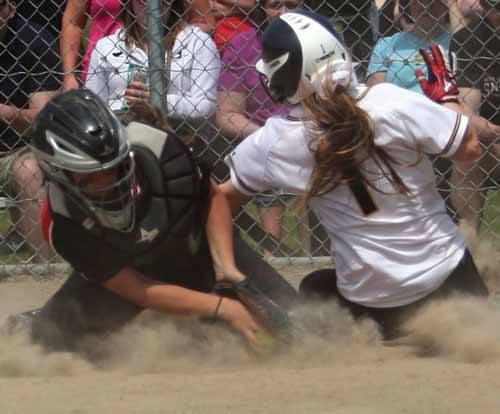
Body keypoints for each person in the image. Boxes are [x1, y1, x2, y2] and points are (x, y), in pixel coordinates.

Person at [220, 10, 489, 339]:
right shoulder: (389, 101)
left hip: (376, 311)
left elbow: (219, 200)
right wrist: (447, 98)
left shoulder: (275, 140)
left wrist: (224, 264)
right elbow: (470, 148)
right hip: (453, 287)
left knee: (315, 287)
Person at [7, 89, 298, 352]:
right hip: (136, 277)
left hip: (200, 252)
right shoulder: (65, 224)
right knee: (47, 344)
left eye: (116, 168)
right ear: (59, 174)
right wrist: (224, 308)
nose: (110, 182)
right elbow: (138, 289)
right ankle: (36, 320)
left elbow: (211, 197)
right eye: (92, 178)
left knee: (299, 324)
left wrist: (228, 268)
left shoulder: (159, 150)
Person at [216, 0, 304, 255]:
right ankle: (274, 260)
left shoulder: (320, 40)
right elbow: (227, 114)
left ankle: (317, 257)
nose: (285, 12)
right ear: (262, 9)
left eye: (292, 4)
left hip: (312, 134)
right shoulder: (243, 45)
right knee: (269, 170)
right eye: (275, 5)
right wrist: (270, 137)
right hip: (265, 140)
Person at [85, 0, 220, 140]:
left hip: (176, 138)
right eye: (142, 0)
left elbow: (206, 107)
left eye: (164, 1)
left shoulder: (197, 42)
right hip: (119, 137)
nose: (153, 7)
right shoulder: (106, 47)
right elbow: (93, 108)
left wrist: (158, 102)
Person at [0, 0, 61, 261]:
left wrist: (8, 114)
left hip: (16, 149)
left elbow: (44, 117)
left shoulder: (33, 39)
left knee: (28, 171)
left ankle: (45, 273)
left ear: (9, 8)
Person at [448, 0, 500, 235]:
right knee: (467, 154)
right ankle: (473, 250)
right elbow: (468, 108)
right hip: (493, 142)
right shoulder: (469, 40)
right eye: (494, 6)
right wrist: (483, 127)